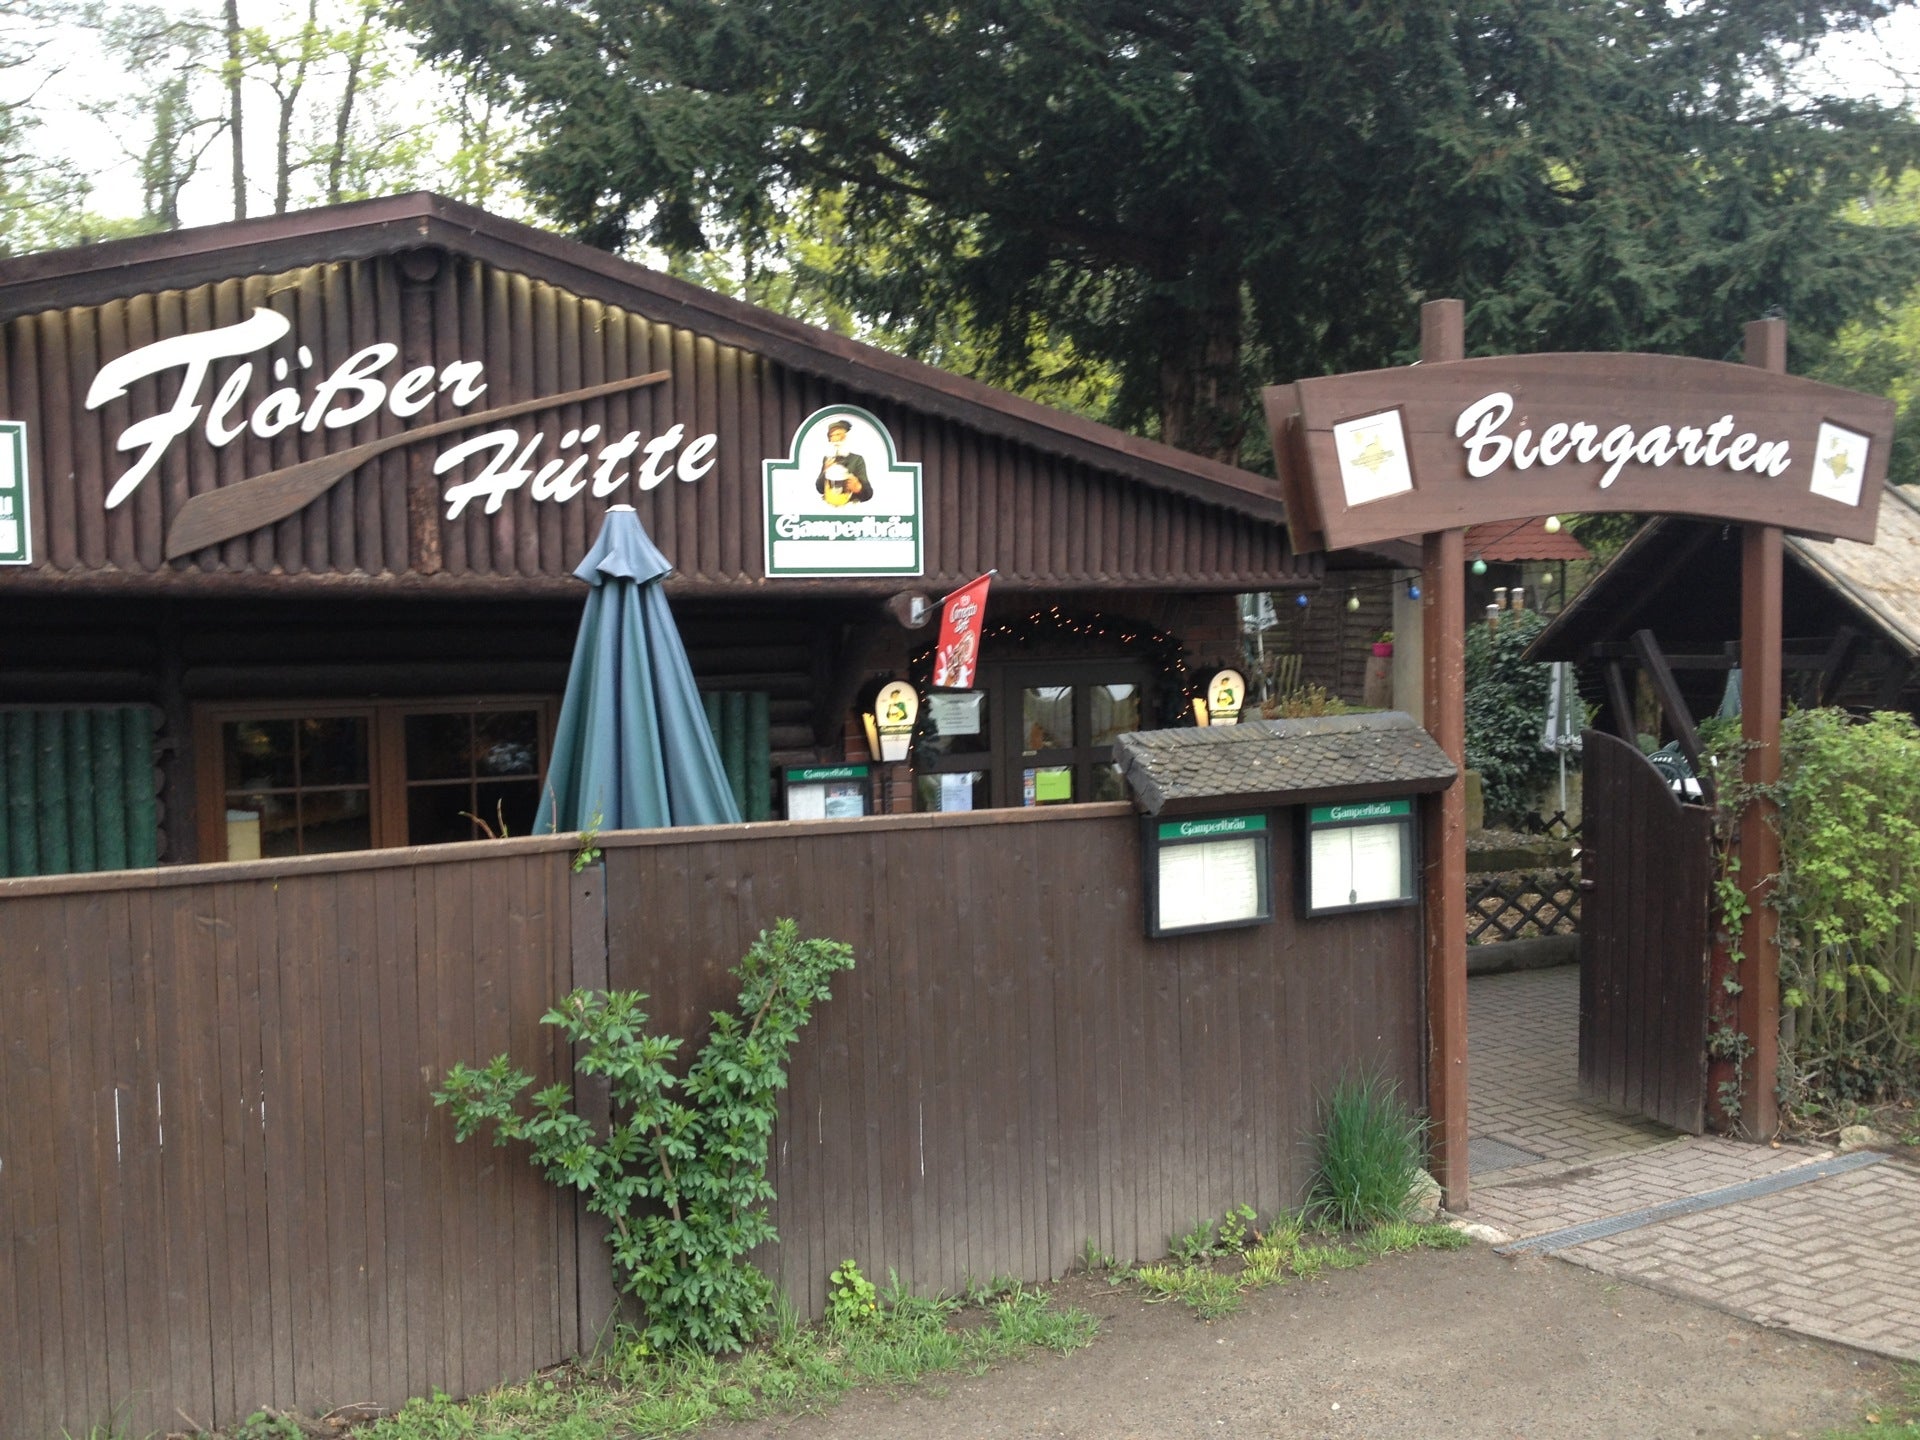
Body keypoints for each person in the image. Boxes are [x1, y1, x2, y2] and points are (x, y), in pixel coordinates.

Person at [815, 418, 872, 505]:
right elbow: (820, 489)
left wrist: (859, 488)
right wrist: (825, 471)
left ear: (844, 437)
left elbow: (868, 493)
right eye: (832, 436)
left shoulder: (857, 459)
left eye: (838, 434)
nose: (835, 439)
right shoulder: (827, 459)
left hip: (850, 505)